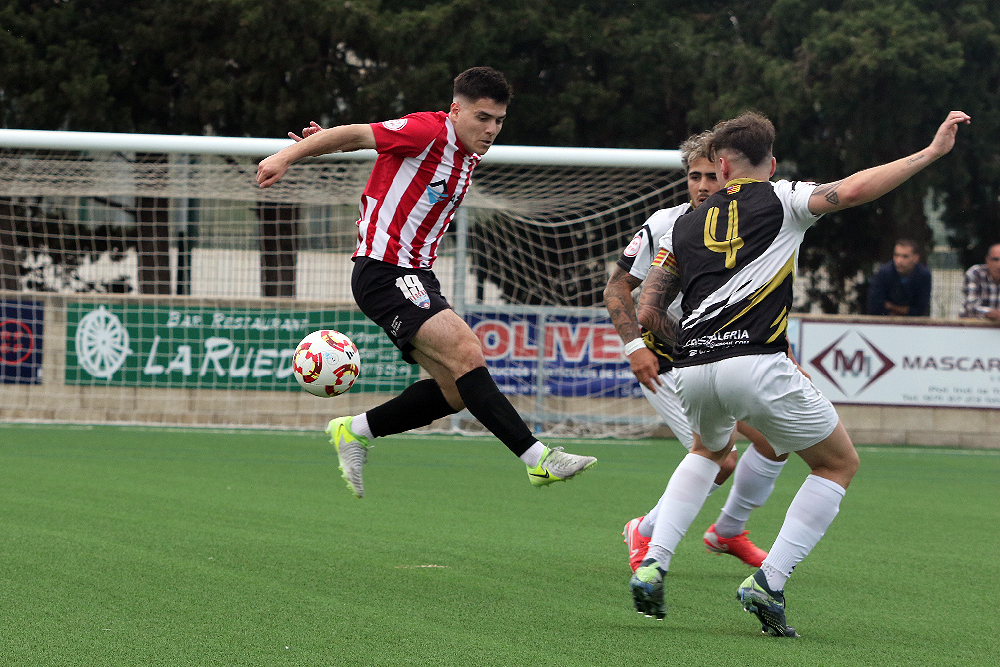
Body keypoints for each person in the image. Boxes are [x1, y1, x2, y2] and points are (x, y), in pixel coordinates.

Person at [629, 110, 970, 636]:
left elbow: (648, 306)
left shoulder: (681, 223)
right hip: (757, 360)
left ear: (720, 165)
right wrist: (929, 153)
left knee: (707, 451)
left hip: (693, 369)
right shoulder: (782, 196)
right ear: (769, 163)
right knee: (837, 464)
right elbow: (854, 190)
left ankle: (655, 558)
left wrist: (688, 348)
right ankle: (769, 581)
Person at [256, 66, 596, 498]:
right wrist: (287, 156)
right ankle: (538, 459)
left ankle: (355, 431)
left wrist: (325, 141)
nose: (491, 130)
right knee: (467, 351)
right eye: (482, 118)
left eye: (499, 121)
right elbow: (360, 134)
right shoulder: (427, 130)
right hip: (384, 270)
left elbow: (382, 157)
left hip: (418, 274)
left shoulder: (466, 155)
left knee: (455, 390)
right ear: (456, 110)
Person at [603, 131, 788, 573]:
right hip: (664, 361)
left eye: (711, 175)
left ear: (728, 173)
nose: (703, 186)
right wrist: (633, 348)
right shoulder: (666, 223)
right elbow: (619, 290)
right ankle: (645, 531)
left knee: (775, 441)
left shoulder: (751, 221)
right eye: (693, 177)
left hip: (722, 354)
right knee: (720, 458)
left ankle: (728, 530)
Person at [865, 239, 932, 316]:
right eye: (896, 255)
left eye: (905, 256)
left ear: (916, 258)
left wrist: (891, 306)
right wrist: (904, 311)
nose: (899, 261)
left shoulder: (924, 275)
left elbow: (920, 310)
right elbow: (874, 307)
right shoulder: (883, 273)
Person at [959, 242, 1000, 322]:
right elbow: (970, 307)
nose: (999, 265)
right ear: (987, 261)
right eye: (995, 260)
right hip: (971, 327)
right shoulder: (975, 273)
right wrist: (991, 313)